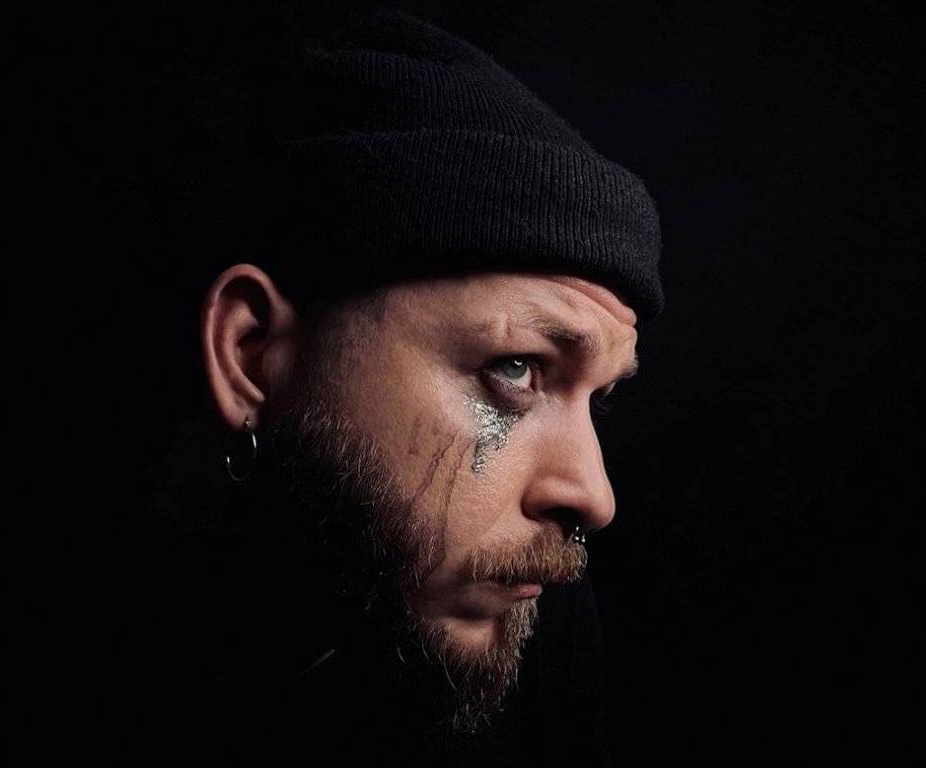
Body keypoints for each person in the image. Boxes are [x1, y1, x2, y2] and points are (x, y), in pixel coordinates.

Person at [117, 7, 665, 766]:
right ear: (251, 354)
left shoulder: (546, 636)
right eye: (515, 368)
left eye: (596, 398)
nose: (593, 497)